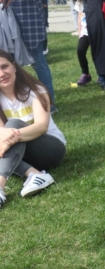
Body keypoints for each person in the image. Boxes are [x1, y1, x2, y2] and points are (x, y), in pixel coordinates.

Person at [0, 50, 66, 208]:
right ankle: (34, 174)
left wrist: (12, 135)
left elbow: (41, 127)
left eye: (5, 67)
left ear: (14, 67)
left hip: (50, 149)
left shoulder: (36, 91)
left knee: (13, 125)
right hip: (19, 151)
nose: (2, 73)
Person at [70, 0, 92, 86]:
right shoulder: (79, 3)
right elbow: (79, 16)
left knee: (96, 53)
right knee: (80, 51)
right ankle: (85, 74)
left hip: (94, 31)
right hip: (85, 31)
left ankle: (102, 75)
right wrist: (80, 31)